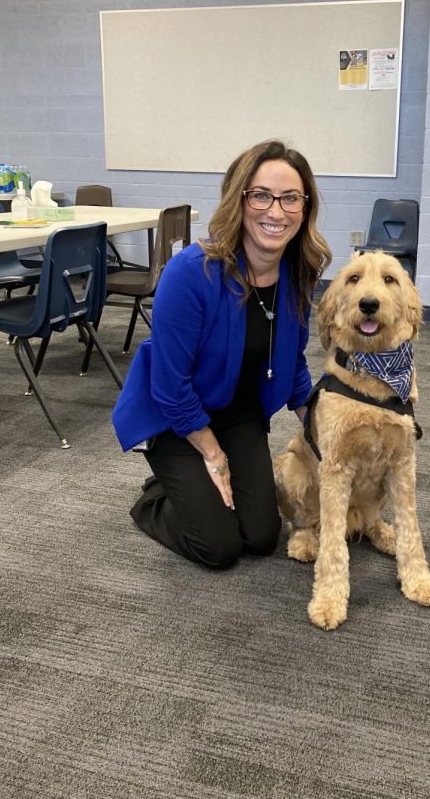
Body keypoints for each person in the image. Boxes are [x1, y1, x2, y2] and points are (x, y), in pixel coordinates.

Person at [112, 140, 332, 569]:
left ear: (304, 207)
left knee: (261, 537)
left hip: (239, 413)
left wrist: (320, 426)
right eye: (261, 196)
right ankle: (157, 495)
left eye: (291, 198)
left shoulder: (298, 271)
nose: (276, 211)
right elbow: (169, 385)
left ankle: (197, 488)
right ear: (239, 200)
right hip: (177, 419)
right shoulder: (190, 273)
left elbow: (292, 361)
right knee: (218, 547)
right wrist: (213, 455)